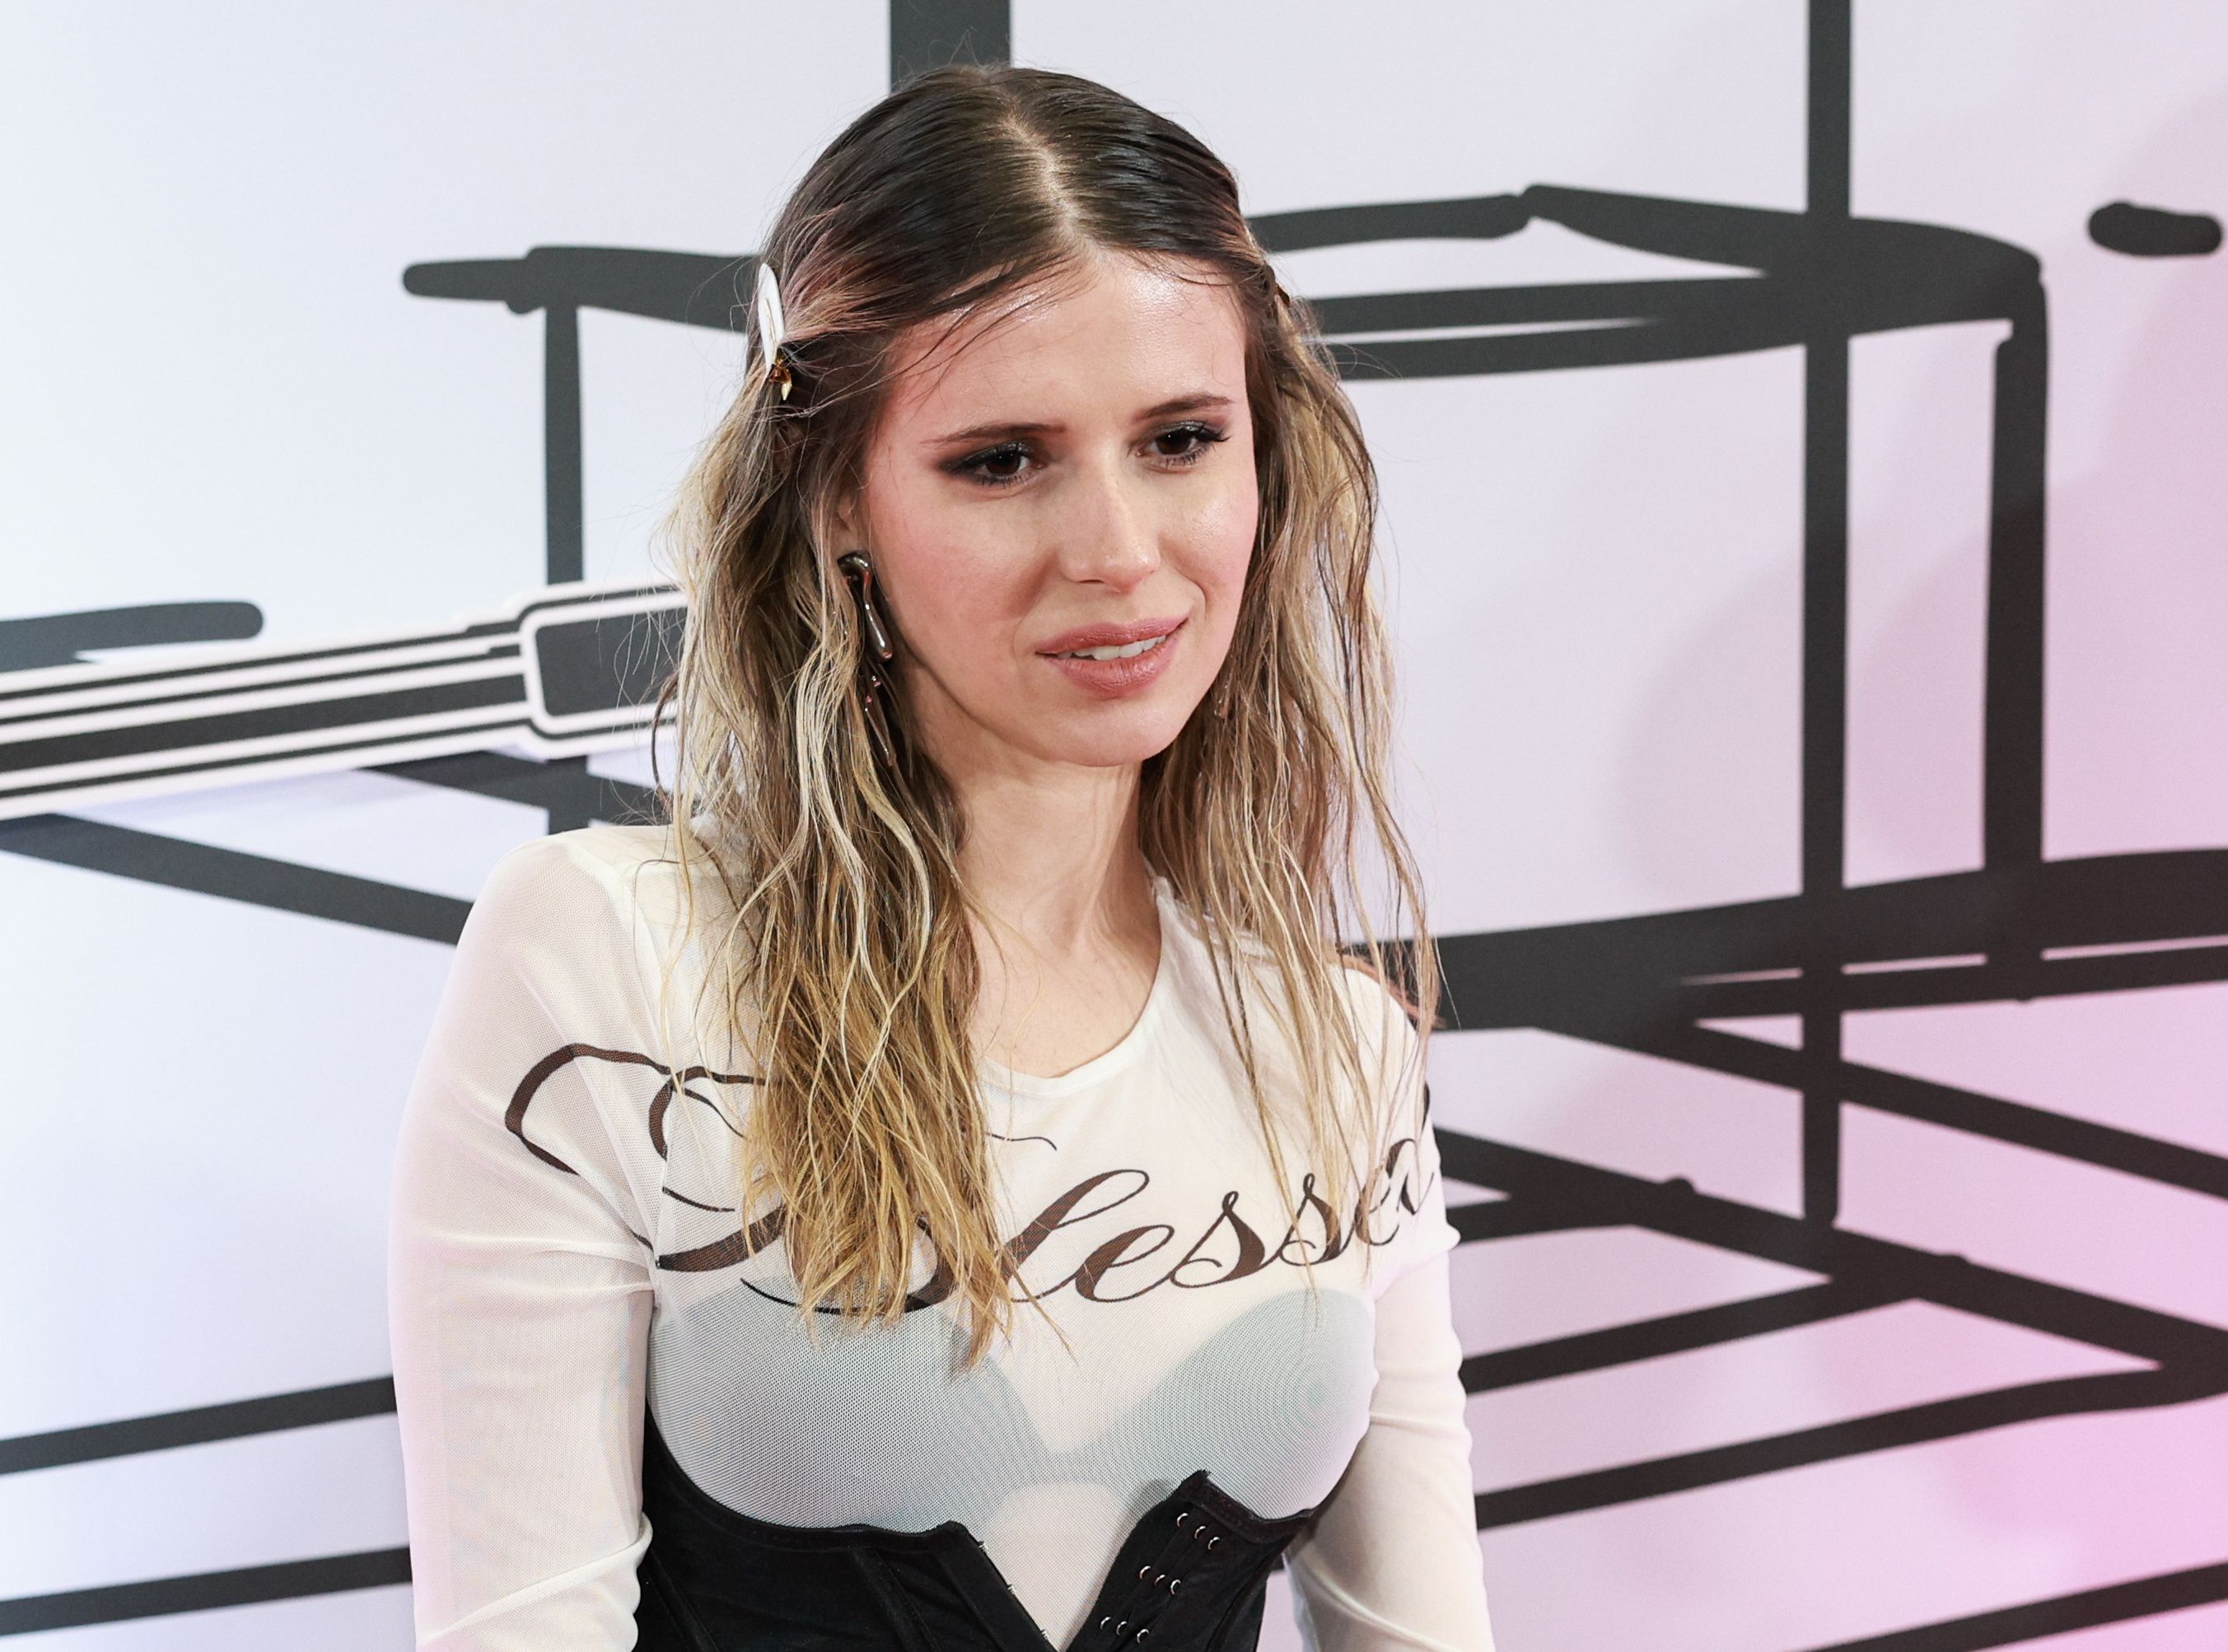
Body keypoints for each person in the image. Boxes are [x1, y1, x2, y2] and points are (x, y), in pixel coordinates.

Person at [386, 63, 1498, 1652]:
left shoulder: (1333, 1046)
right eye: (1001, 460)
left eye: (1180, 438)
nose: (1117, 550)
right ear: (837, 496)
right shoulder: (606, 957)